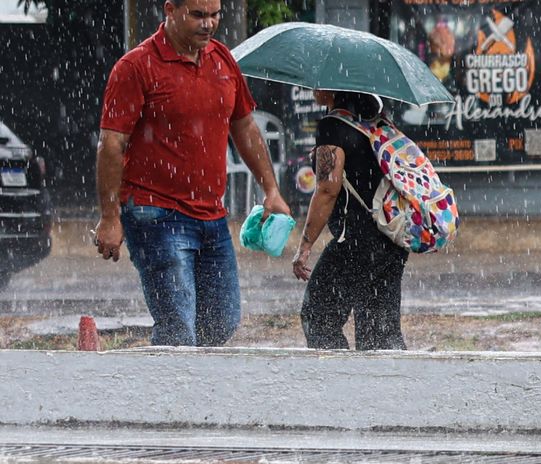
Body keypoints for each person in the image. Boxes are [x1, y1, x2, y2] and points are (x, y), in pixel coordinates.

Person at [95, 0, 291, 347]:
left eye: (215, 15)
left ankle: (191, 388)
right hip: (153, 211)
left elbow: (244, 128)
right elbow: (111, 145)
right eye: (198, 15)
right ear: (170, 10)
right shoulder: (136, 66)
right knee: (178, 327)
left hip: (210, 214)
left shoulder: (223, 60)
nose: (209, 24)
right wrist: (110, 217)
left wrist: (271, 189)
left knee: (221, 322)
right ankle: (169, 393)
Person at [291, 91, 410, 351]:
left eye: (319, 84)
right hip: (391, 238)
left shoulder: (332, 127)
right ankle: (392, 386)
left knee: (319, 317)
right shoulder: (377, 119)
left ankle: (340, 385)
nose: (314, 89)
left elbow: (326, 191)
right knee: (380, 333)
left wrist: (305, 246)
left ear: (333, 89)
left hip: (356, 242)